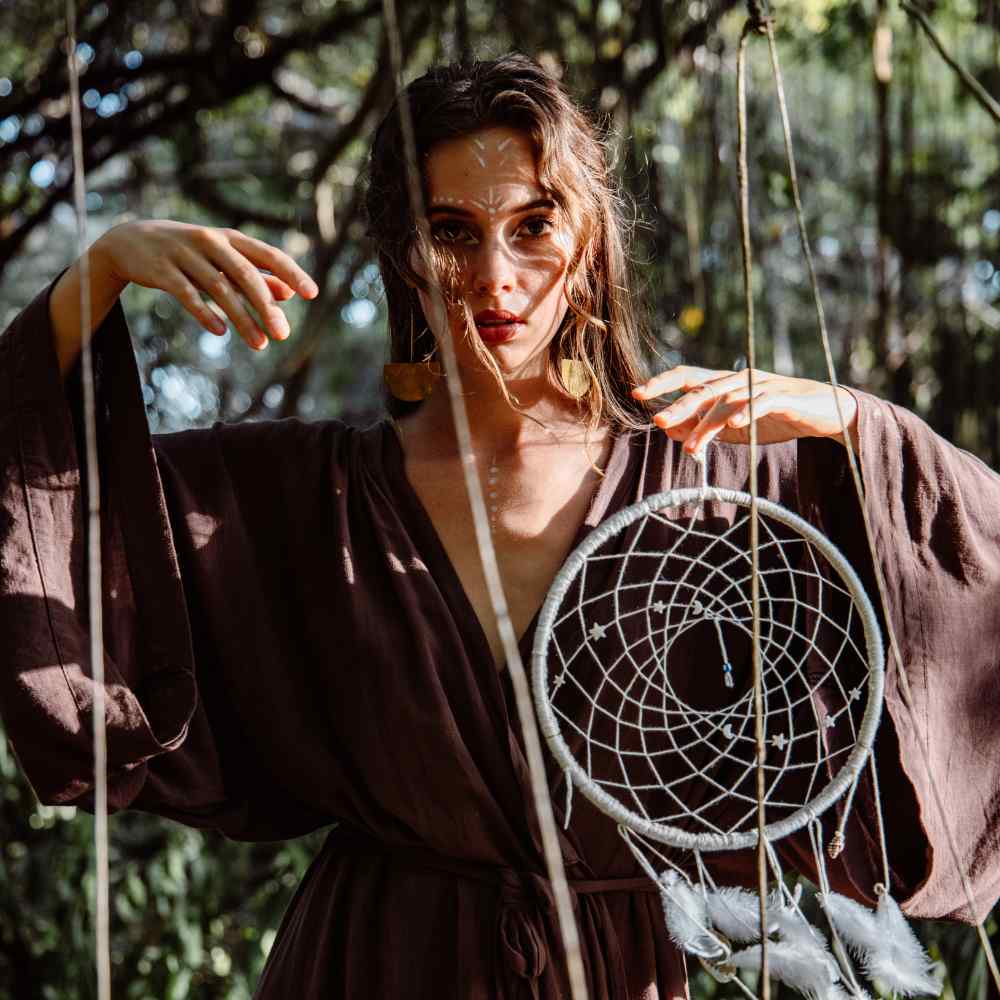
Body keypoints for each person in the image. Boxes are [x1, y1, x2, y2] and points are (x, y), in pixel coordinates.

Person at [1, 53, 999, 1000]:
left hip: (615, 969)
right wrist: (94, 279)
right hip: (371, 964)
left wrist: (865, 429)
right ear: (402, 246)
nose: (494, 273)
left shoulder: (720, 476)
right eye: (452, 229)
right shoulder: (300, 494)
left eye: (533, 224)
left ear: (590, 238)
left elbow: (974, 573)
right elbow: (38, 516)